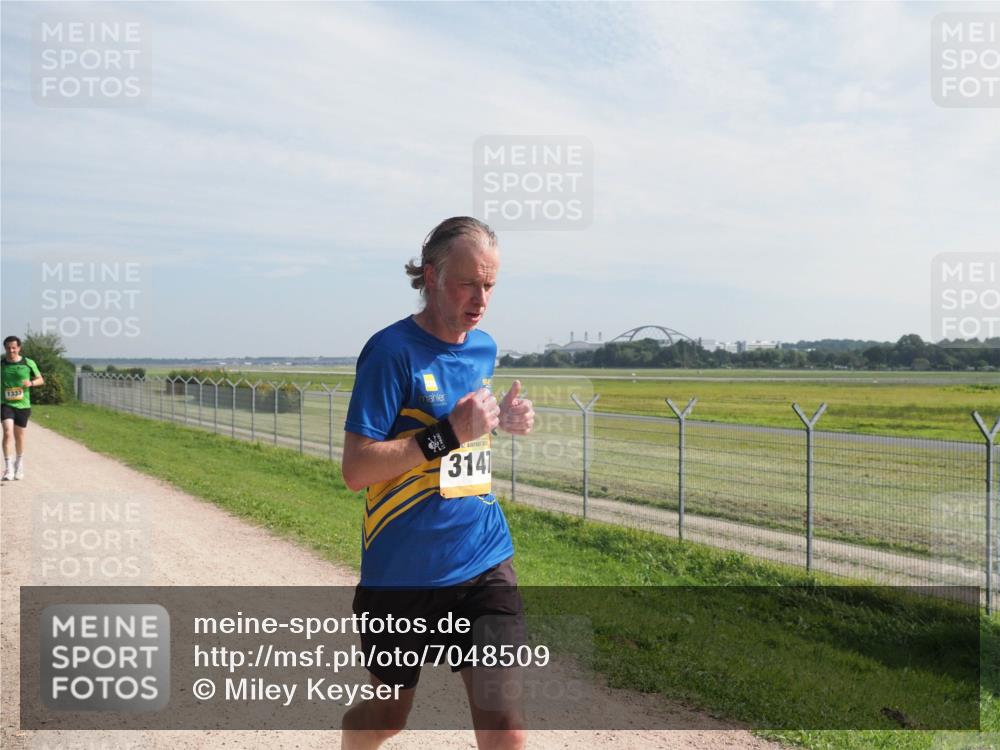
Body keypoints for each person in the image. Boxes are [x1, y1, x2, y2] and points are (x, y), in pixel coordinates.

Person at [340, 217, 534, 750]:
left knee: (505, 725)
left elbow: (473, 429)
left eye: (490, 284)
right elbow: (356, 469)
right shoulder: (390, 352)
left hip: (482, 558)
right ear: (431, 275)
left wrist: (504, 419)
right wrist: (446, 434)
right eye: (469, 282)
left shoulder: (483, 348)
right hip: (403, 573)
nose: (481, 298)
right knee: (387, 717)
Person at [1, 335, 44, 481]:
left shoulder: (28, 362)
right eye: (8, 348)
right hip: (5, 404)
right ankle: (8, 468)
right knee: (7, 433)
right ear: (5, 348)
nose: (11, 350)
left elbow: (40, 380)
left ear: (19, 348)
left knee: (19, 436)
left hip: (23, 404)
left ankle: (19, 463)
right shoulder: (2, 364)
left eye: (14, 347)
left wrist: (31, 383)